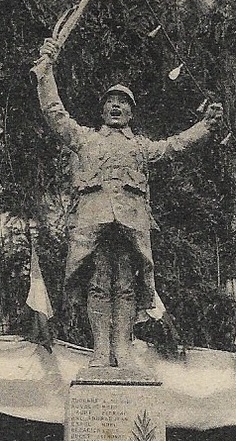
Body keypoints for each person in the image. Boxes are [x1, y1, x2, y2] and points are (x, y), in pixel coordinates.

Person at [33, 36, 224, 367]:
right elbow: (55, 113)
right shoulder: (85, 139)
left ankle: (121, 348)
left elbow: (174, 145)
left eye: (123, 102)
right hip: (93, 222)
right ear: (103, 109)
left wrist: (205, 125)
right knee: (97, 283)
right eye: (111, 102)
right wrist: (45, 71)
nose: (116, 106)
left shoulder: (140, 147)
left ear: (132, 112)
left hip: (132, 224)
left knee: (126, 285)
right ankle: (99, 351)